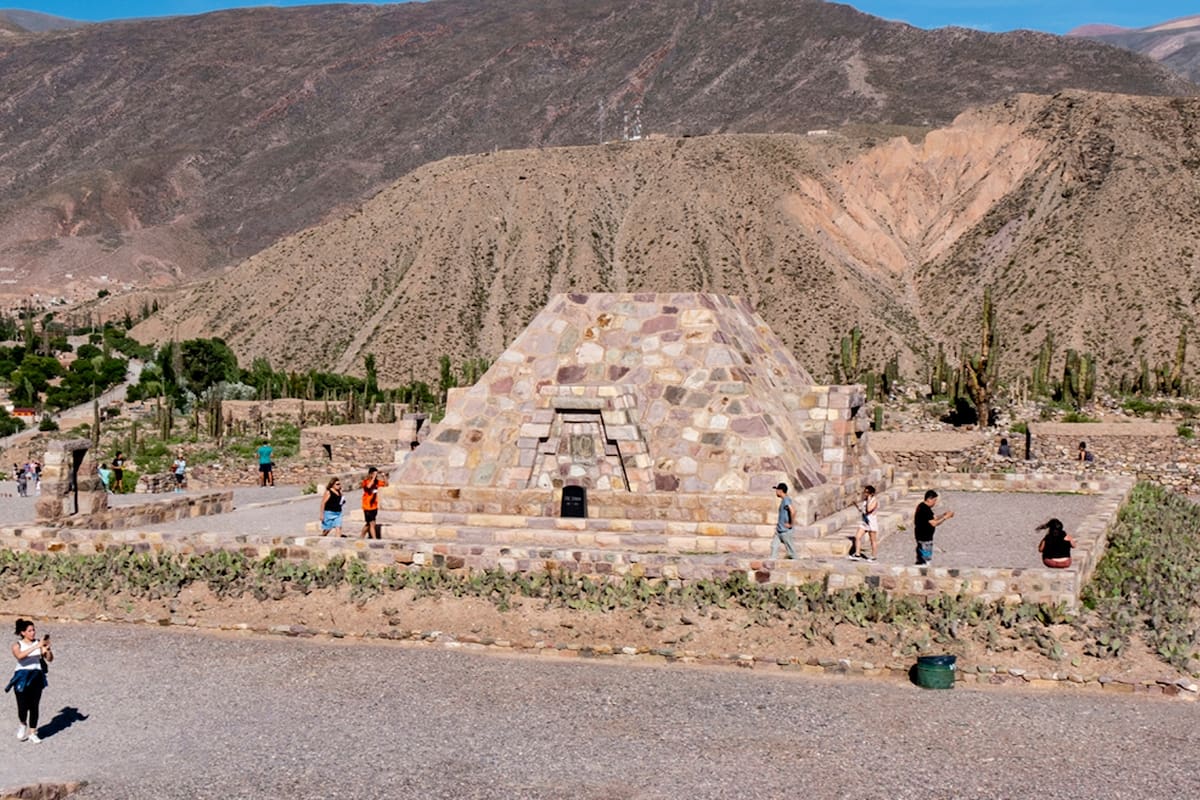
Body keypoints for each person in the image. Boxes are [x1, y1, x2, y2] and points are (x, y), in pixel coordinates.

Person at [6, 619, 52, 744]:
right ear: (23, 632)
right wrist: (36, 646)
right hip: (22, 676)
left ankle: (32, 732)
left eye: (33, 630)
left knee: (34, 706)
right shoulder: (17, 645)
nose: (33, 632)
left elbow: (49, 659)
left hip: (36, 675)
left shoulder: (39, 643)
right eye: (30, 630)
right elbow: (20, 656)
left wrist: (47, 650)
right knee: (22, 706)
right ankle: (22, 723)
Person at [914, 489, 955, 566]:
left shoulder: (922, 506)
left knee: (922, 558)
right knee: (925, 560)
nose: (935, 503)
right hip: (924, 538)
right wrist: (946, 518)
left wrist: (943, 514)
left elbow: (933, 517)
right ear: (929, 499)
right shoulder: (924, 509)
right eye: (934, 500)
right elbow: (934, 523)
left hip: (923, 537)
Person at [850, 485, 879, 561]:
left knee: (872, 540)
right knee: (857, 536)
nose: (865, 494)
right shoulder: (865, 501)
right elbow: (863, 510)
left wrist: (869, 499)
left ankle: (873, 556)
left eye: (867, 493)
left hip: (871, 523)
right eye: (865, 492)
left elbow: (869, 509)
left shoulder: (874, 501)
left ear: (871, 493)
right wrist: (856, 505)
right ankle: (857, 554)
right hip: (864, 522)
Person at [360, 467, 388, 539]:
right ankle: (374, 539)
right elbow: (368, 486)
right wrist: (373, 477)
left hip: (374, 506)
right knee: (372, 523)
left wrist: (383, 475)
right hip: (367, 506)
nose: (375, 476)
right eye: (373, 474)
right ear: (370, 474)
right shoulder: (365, 481)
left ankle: (361, 537)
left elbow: (386, 484)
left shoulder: (376, 482)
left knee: (368, 524)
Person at [771, 482, 797, 559]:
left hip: (785, 531)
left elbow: (793, 511)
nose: (776, 492)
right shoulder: (784, 500)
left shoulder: (786, 500)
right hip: (779, 530)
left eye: (777, 490)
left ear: (780, 490)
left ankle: (797, 564)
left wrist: (791, 524)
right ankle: (772, 562)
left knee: (791, 551)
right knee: (774, 546)